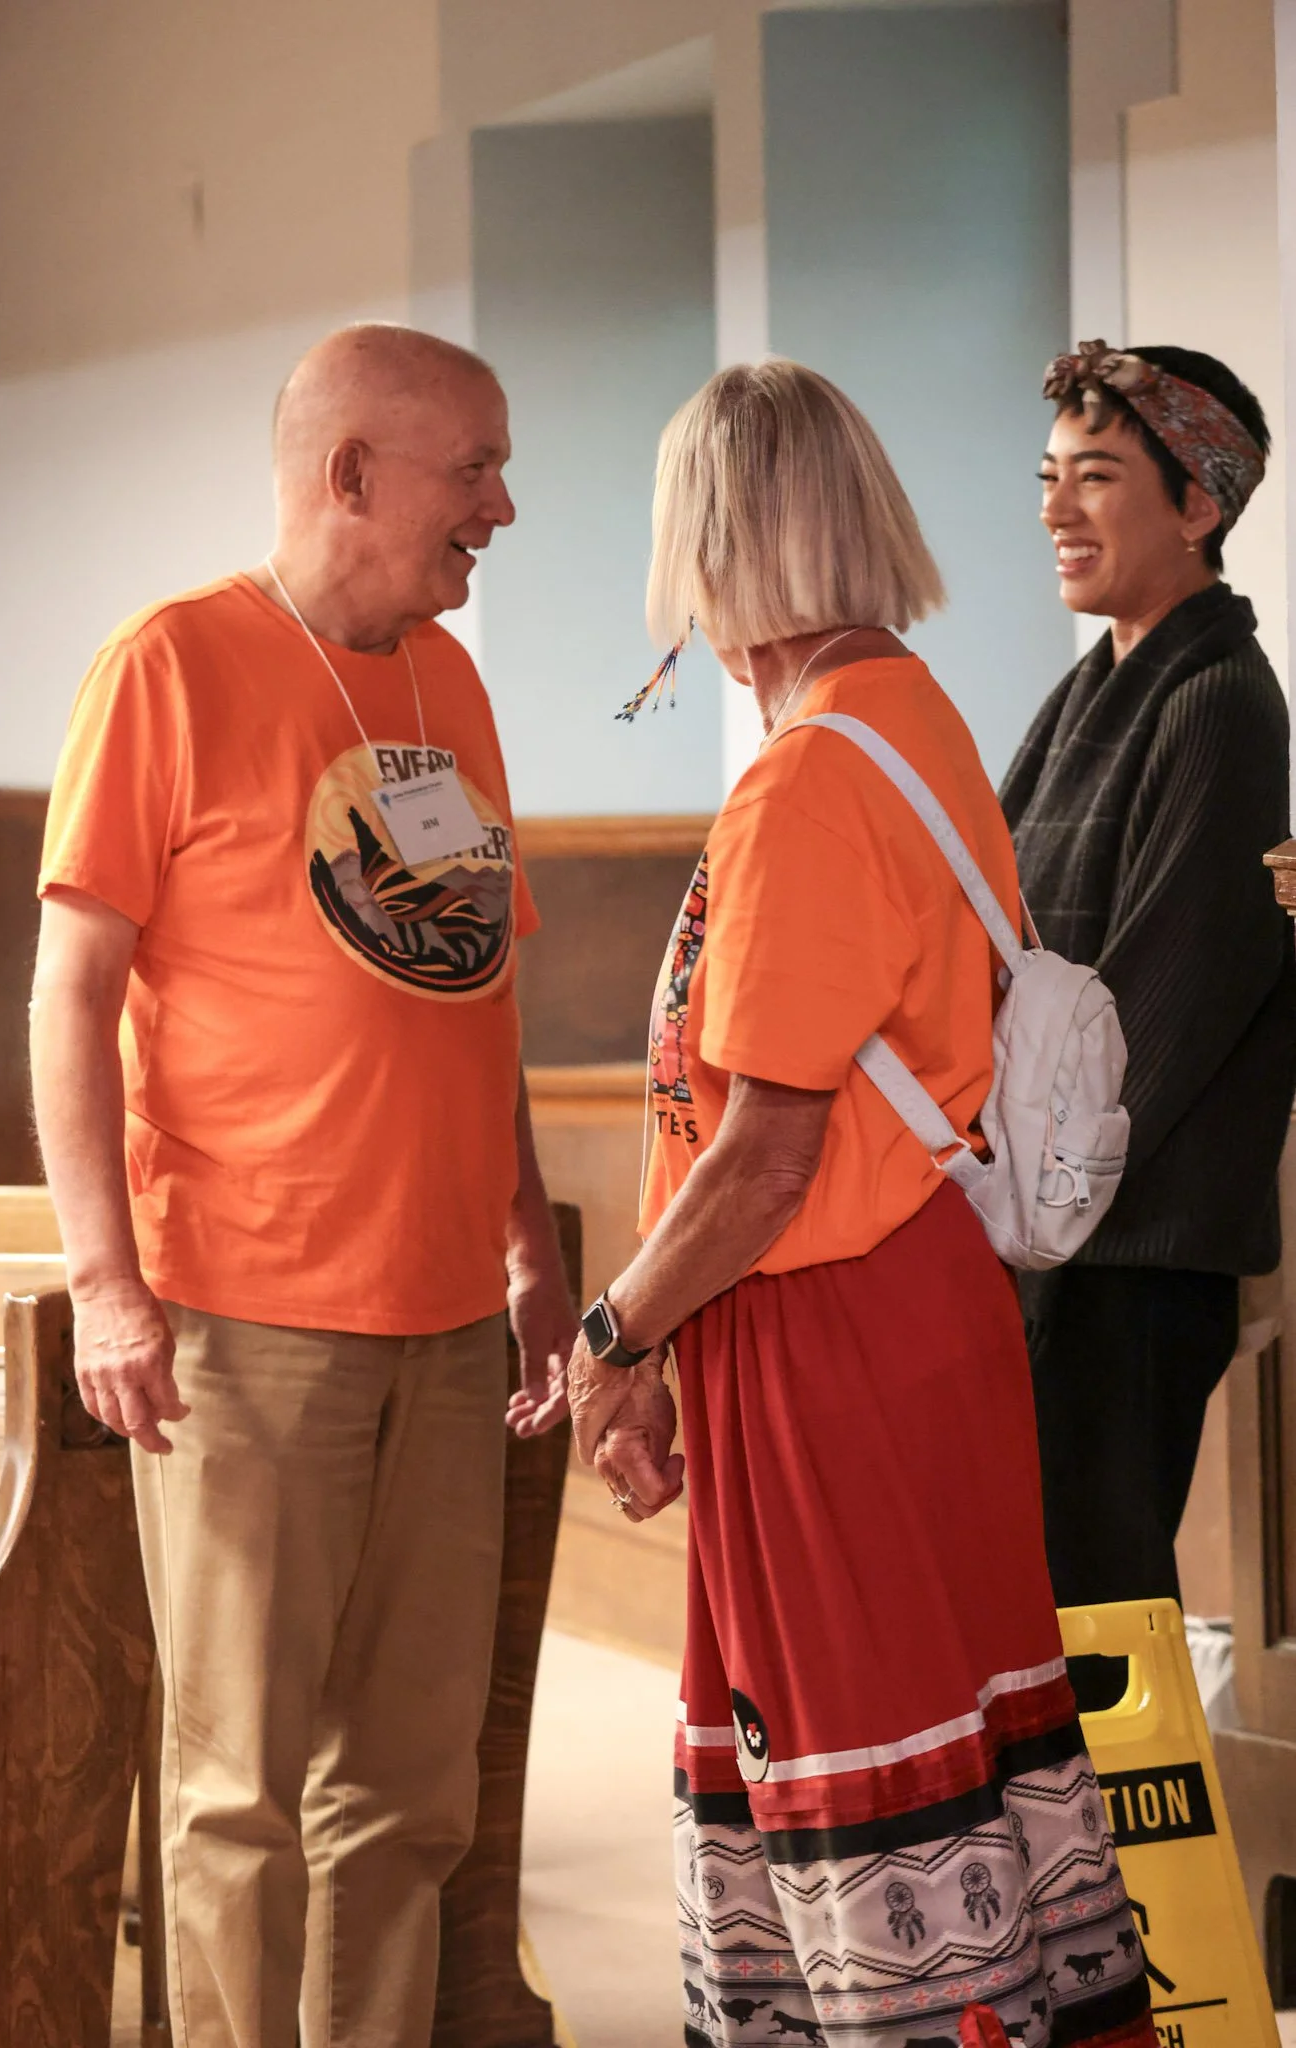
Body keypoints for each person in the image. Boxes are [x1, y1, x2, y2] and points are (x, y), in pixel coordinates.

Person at [512, 360, 1153, 2048]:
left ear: (716, 547)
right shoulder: (912, 714)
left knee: (862, 1762)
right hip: (915, 1301)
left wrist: (609, 1332)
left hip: (827, 1322)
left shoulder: (806, 781)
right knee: (967, 1757)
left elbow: (768, 1150)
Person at [29, 324, 575, 2048]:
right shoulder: (173, 665)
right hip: (246, 1317)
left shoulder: (453, 685)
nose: (501, 503)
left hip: (444, 1323)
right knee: (235, 1798)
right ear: (352, 473)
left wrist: (528, 1252)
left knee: (409, 1800)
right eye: (471, 468)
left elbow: (474, 992)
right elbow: (71, 987)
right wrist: (108, 1283)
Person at [1001, 343, 1296, 1710]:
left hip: (1125, 1250)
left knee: (1104, 1599)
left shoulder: (1224, 701)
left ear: (1200, 504)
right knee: (1044, 1601)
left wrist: (1035, 1215)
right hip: (1052, 1226)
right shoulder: (1081, 698)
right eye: (1050, 478)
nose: (1058, 510)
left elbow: (1162, 1012)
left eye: (1098, 479)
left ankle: (1136, 1916)